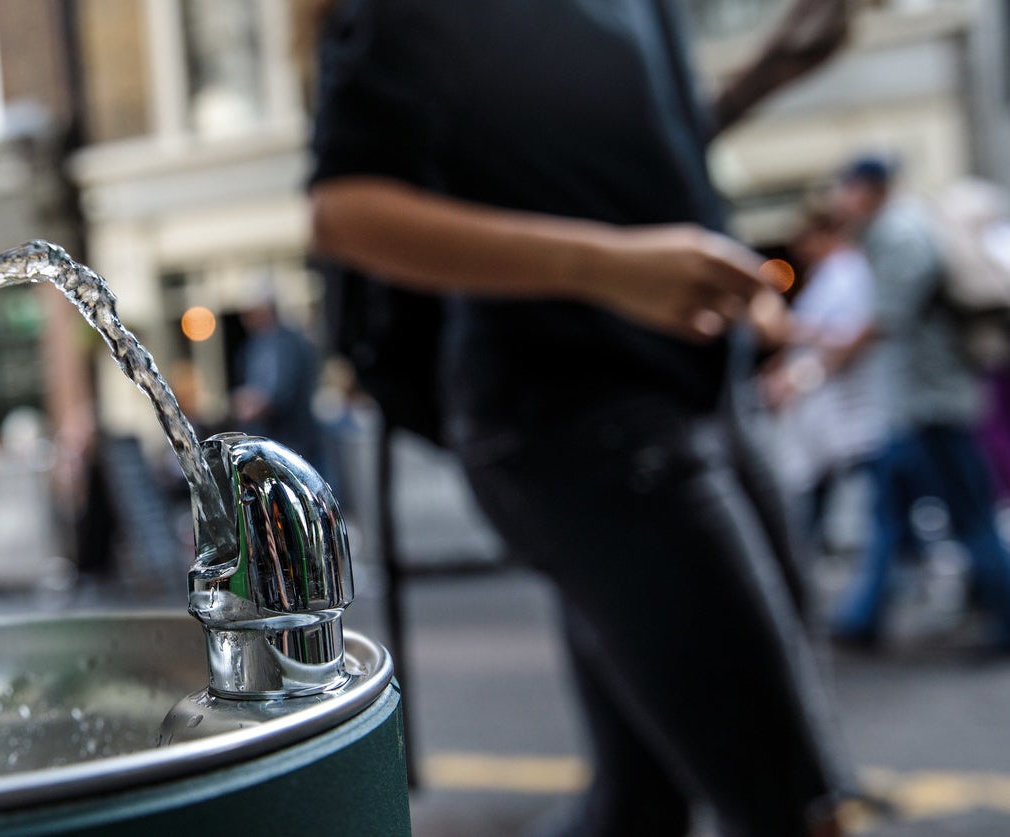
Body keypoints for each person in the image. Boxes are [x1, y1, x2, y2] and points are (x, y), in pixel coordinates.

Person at [306, 1, 856, 834]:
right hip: (578, 414)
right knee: (795, 798)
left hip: (690, 392)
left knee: (643, 802)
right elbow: (345, 210)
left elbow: (607, 155)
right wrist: (605, 268)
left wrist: (768, 72)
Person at [823, 157, 1010, 652]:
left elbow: (887, 317)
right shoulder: (889, 230)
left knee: (969, 515)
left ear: (865, 188)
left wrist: (823, 357)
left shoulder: (900, 232)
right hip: (912, 406)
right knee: (890, 514)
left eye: (843, 188)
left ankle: (1005, 615)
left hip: (933, 403)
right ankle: (863, 618)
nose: (838, 199)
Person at [763, 196, 884, 556]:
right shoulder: (827, 277)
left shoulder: (848, 275)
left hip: (849, 407)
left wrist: (799, 375)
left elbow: (846, 340)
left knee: (865, 507)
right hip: (823, 412)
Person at [231, 290, 326, 470]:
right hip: (270, 441)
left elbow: (285, 390)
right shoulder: (252, 347)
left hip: (295, 440)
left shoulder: (288, 343)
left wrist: (256, 404)